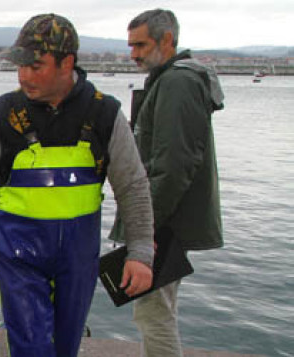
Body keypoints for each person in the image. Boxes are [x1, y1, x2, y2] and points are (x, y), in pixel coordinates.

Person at [0, 14, 155, 357]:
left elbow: (132, 186)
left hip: (78, 256)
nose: (24, 76)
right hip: (17, 252)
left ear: (67, 63)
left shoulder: (106, 114)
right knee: (32, 346)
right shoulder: (5, 112)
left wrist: (141, 253)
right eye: (20, 66)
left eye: (36, 66)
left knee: (65, 346)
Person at [113, 9, 224, 356]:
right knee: (157, 311)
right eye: (131, 46)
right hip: (168, 220)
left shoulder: (177, 83)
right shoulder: (174, 79)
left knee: (153, 314)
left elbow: (174, 165)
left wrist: (145, 231)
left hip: (164, 223)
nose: (133, 54)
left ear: (167, 40)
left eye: (141, 45)